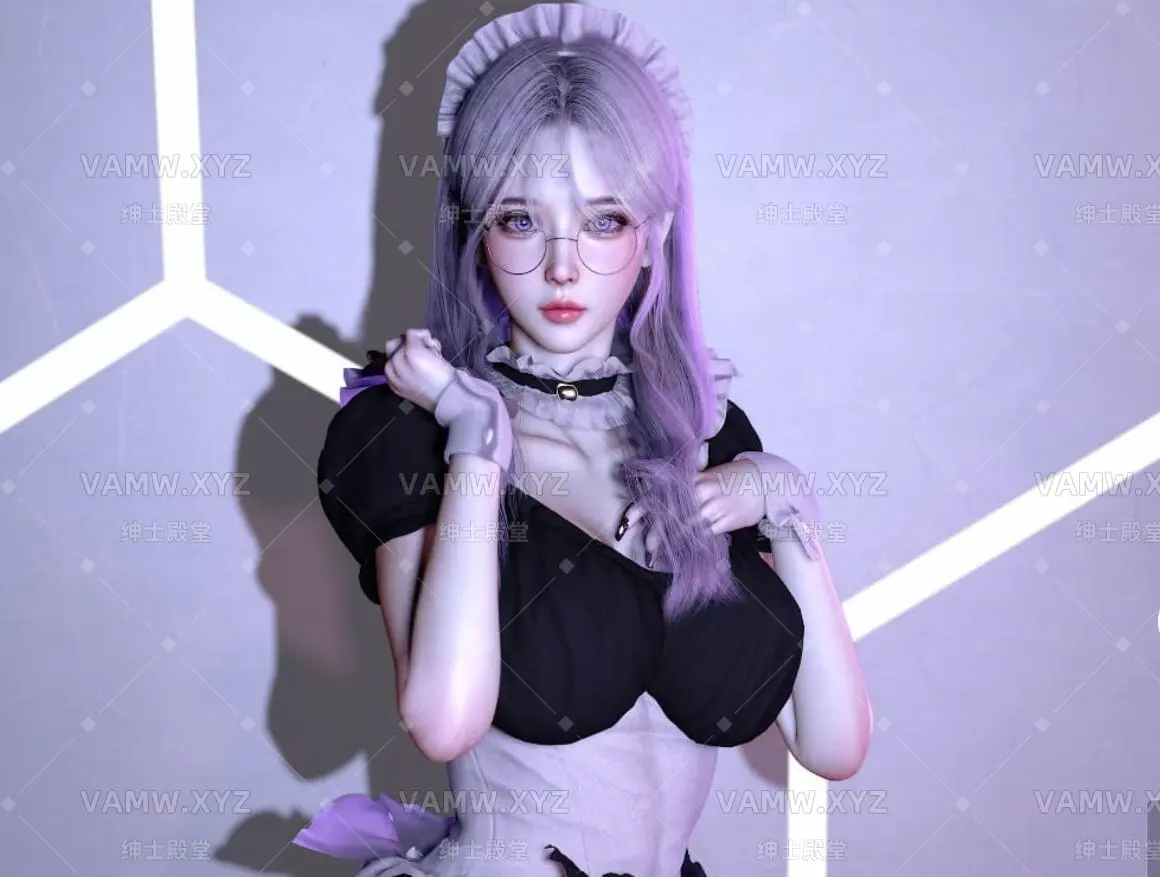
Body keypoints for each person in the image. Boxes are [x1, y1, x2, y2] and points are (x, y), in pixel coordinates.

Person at [294, 4, 871, 875]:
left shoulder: (708, 435)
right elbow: (443, 719)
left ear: (655, 231)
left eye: (603, 220)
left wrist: (787, 499)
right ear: (475, 228)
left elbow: (833, 744)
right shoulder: (409, 438)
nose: (562, 267)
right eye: (520, 219)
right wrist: (477, 441)